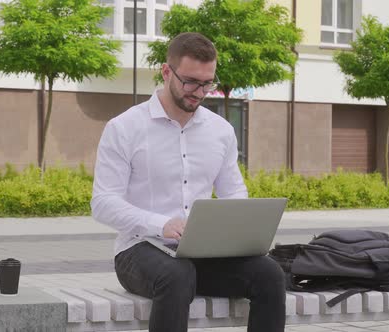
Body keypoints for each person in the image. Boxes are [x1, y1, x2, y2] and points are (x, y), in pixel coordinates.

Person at [91, 32, 286, 332]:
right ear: (166, 71)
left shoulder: (220, 131)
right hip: (138, 251)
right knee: (177, 274)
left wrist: (241, 231)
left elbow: (233, 190)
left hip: (201, 253)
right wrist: (161, 224)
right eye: (191, 82)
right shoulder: (124, 128)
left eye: (207, 83)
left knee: (270, 274)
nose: (199, 92)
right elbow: (103, 203)